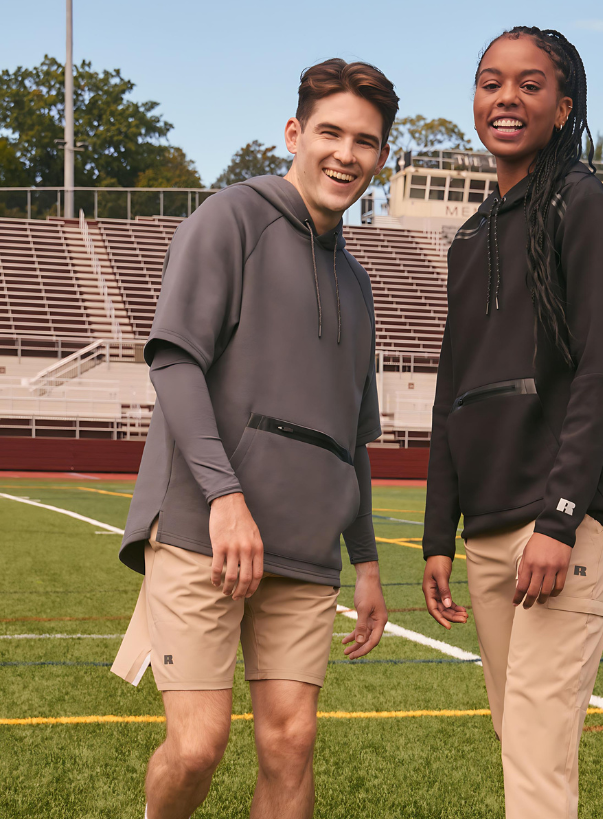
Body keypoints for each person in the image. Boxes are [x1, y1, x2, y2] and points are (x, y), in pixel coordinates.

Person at [111, 58, 399, 819]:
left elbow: (353, 437)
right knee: (199, 745)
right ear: (294, 133)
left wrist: (366, 561)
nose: (346, 153)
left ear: (382, 157)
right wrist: (225, 495)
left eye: (365, 142)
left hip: (306, 550)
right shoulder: (230, 218)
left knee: (290, 742)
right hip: (204, 531)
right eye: (330, 132)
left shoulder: (361, 284)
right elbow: (174, 363)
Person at [421, 27, 603, 819]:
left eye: (530, 83)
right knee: (520, 743)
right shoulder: (471, 234)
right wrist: (437, 533)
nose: (506, 97)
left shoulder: (584, 207)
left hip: (559, 527)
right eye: (490, 81)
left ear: (563, 105)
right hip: (487, 530)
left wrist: (562, 515)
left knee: (538, 760)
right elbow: (453, 393)